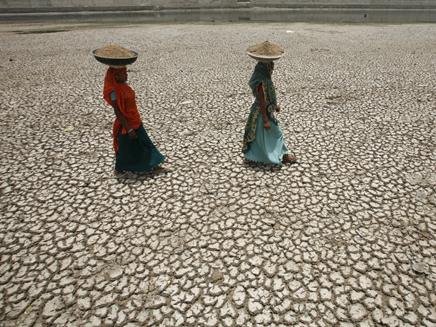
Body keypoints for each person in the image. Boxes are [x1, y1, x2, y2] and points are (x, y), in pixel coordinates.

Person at [103, 66, 168, 178]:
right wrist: (128, 129)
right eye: (123, 73)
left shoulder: (125, 85)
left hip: (135, 120)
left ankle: (154, 166)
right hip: (125, 124)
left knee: (145, 143)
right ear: (116, 76)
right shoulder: (114, 91)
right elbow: (117, 112)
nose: (126, 75)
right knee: (124, 148)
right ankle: (118, 171)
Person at [242, 53, 297, 165]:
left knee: (258, 135)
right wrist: (266, 120)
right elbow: (262, 101)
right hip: (262, 113)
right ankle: (284, 155)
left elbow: (267, 98)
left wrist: (274, 106)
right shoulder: (263, 83)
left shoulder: (263, 80)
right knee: (277, 133)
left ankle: (250, 157)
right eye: (270, 67)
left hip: (260, 112)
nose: (271, 69)